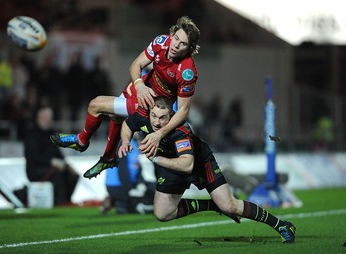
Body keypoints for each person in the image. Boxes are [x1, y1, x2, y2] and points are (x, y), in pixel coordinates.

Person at [117, 96, 296, 243]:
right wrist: (125, 141)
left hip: (200, 163)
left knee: (230, 206)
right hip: (172, 164)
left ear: (171, 115)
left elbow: (187, 165)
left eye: (162, 117)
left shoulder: (180, 132)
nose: (156, 122)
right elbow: (127, 124)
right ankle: (212, 205)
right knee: (162, 214)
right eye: (154, 116)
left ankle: (281, 225)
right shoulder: (144, 116)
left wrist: (155, 158)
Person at [50, 16, 201, 179]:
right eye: (176, 38)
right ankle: (107, 158)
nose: (176, 44)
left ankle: (82, 141)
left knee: (96, 105)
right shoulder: (161, 42)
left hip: (151, 104)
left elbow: (183, 110)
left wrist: (159, 133)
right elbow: (135, 65)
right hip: (141, 88)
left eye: (183, 43)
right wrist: (139, 85)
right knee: (115, 115)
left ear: (189, 48)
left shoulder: (187, 72)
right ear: (172, 35)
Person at [24, 107, 80, 206]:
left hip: (52, 167)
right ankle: (59, 202)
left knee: (73, 175)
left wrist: (66, 165)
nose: (48, 120)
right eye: (46, 118)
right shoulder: (31, 133)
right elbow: (32, 155)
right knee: (57, 174)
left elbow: (58, 153)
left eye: (49, 118)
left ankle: (67, 200)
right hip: (36, 170)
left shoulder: (51, 134)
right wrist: (51, 162)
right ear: (39, 117)